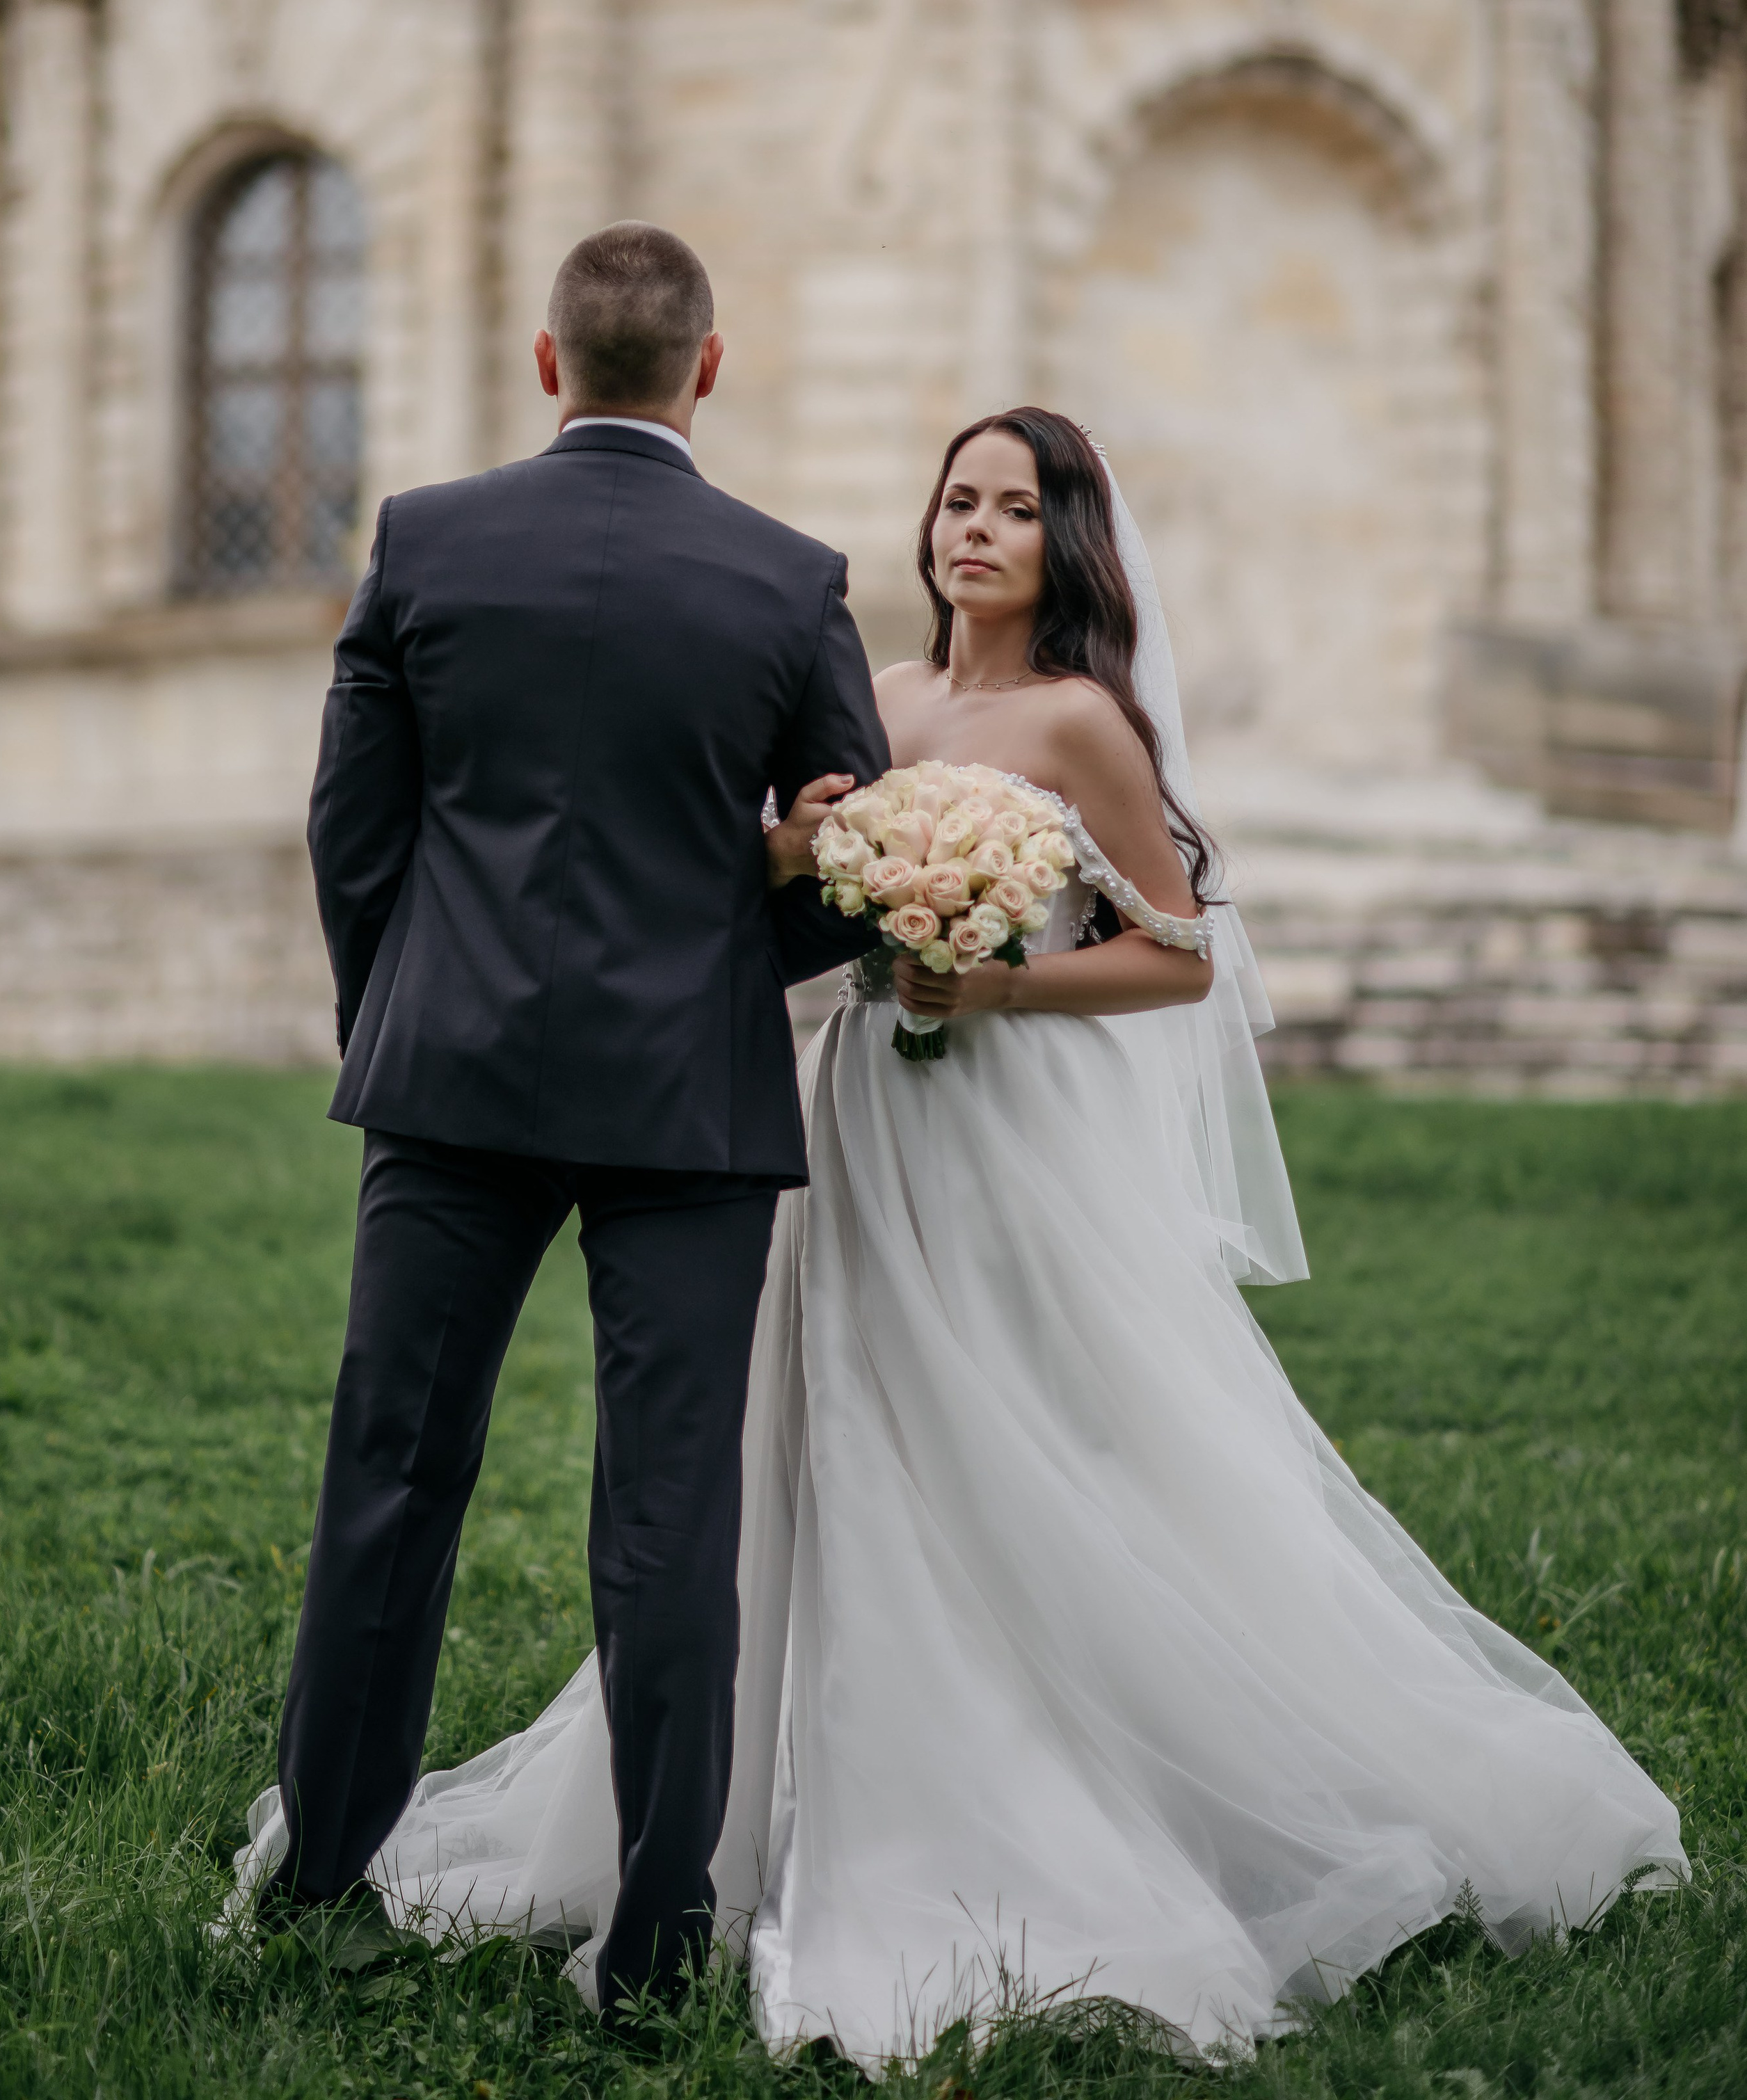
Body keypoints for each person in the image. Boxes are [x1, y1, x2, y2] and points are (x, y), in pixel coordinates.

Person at [234, 405, 1686, 2063]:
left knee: (1009, 1437)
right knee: (821, 1427)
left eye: (1011, 508)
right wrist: (803, 865)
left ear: (1067, 542)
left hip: (1004, 1131)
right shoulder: (884, 695)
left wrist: (991, 976)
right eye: (955, 500)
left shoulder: (1081, 725)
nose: (970, 531)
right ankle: (768, 1801)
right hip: (855, 1108)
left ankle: (1044, 1776)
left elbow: (1182, 956)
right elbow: (795, 898)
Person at [241, 223, 889, 2014]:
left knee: (391, 1478)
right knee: (667, 1514)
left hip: (444, 1084)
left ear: (547, 364)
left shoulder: (427, 541)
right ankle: (662, 1936)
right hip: (690, 1104)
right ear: (708, 366)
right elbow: (860, 866)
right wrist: (717, 945)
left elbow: (351, 828)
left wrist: (405, 1005)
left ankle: (319, 1883)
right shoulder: (787, 580)